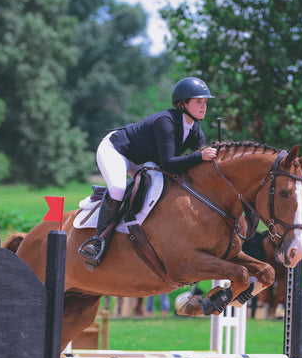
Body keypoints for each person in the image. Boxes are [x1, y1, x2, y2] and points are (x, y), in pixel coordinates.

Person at [78, 77, 218, 265]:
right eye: (198, 101)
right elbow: (169, 163)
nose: (204, 106)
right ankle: (98, 244)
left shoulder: (195, 128)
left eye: (205, 102)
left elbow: (200, 158)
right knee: (118, 189)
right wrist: (200, 156)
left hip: (143, 159)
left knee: (164, 189)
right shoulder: (166, 122)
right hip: (117, 150)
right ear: (183, 104)